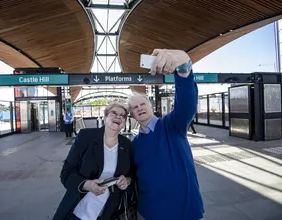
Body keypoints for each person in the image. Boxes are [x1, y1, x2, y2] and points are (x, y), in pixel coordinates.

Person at [128, 49, 204, 220]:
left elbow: (187, 102)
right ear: (132, 115)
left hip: (184, 212)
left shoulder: (172, 125)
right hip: (148, 212)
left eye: (143, 103)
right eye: (134, 107)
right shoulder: (135, 144)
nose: (139, 107)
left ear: (151, 105)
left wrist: (183, 65)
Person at [53, 102, 135, 220]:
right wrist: (86, 185)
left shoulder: (127, 145)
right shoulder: (86, 137)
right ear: (105, 117)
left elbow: (130, 174)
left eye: (122, 115)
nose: (118, 117)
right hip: (77, 210)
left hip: (108, 212)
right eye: (114, 113)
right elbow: (66, 172)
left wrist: (126, 181)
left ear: (124, 123)